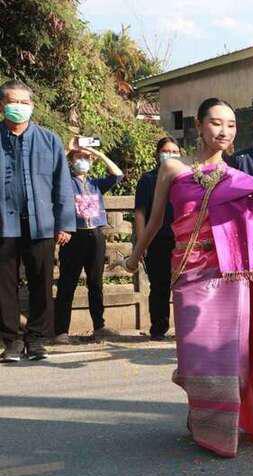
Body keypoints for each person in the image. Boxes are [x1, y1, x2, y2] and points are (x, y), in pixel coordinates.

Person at [125, 98, 253, 457]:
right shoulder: (172, 169)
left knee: (229, 359)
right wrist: (136, 255)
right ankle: (203, 415)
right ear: (198, 125)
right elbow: (155, 220)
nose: (224, 131)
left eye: (230, 125)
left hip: (230, 277)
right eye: (215, 122)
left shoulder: (238, 179)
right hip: (188, 274)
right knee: (196, 355)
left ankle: (220, 432)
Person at [0, 79, 75, 363]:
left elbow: (62, 184)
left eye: (24, 102)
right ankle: (11, 341)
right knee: (3, 285)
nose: (19, 107)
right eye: (13, 102)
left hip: (40, 223)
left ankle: (37, 340)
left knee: (41, 282)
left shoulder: (49, 140)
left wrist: (64, 223)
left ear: (32, 106)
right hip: (3, 224)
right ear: (2, 105)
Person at [53, 141, 124, 344]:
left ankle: (99, 326)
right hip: (73, 237)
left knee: (95, 283)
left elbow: (117, 174)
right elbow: (52, 170)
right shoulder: (65, 182)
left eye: (86, 158)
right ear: (70, 160)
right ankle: (61, 331)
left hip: (95, 236)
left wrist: (96, 153)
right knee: (67, 283)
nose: (83, 160)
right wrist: (69, 149)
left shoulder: (95, 184)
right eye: (79, 157)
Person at [134, 137, 181, 341]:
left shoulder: (186, 178)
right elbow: (140, 212)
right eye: (166, 151)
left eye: (175, 152)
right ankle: (158, 329)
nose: (170, 155)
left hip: (183, 240)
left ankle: (185, 328)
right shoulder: (148, 179)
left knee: (184, 285)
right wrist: (142, 242)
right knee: (159, 285)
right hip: (157, 239)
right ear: (157, 154)